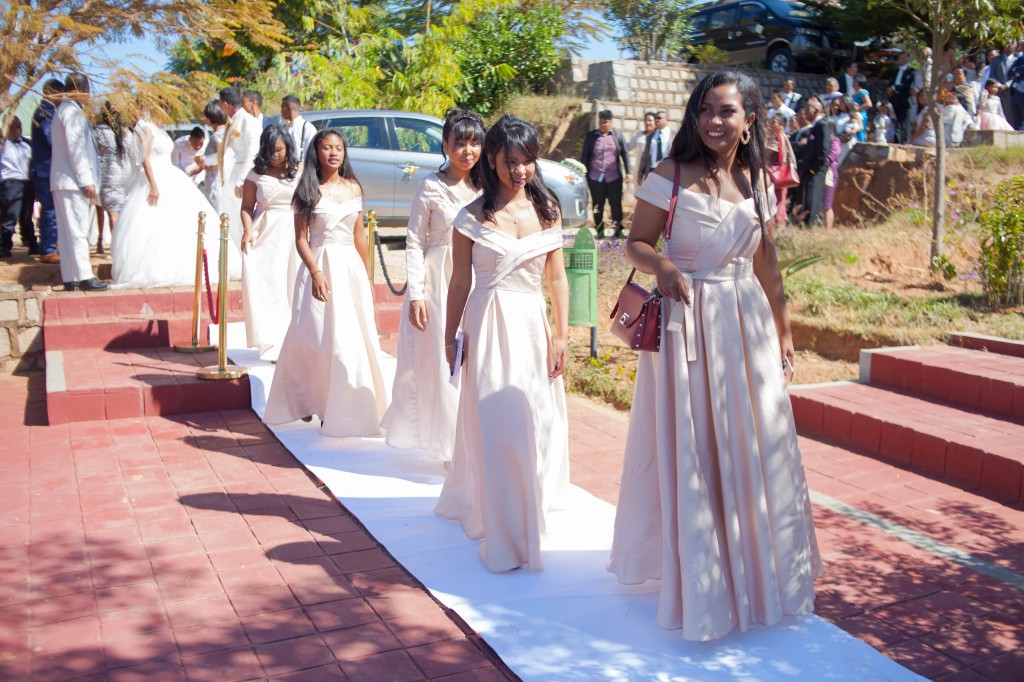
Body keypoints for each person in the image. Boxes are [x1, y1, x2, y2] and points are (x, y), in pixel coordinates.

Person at [606, 69, 821, 642]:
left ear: (750, 119)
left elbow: (766, 260)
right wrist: (665, 266)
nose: (712, 121)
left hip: (746, 322)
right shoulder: (668, 174)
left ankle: (754, 565)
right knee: (696, 444)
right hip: (688, 322)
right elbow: (636, 242)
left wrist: (785, 329)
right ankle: (702, 577)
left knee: (757, 440)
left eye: (726, 111)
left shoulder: (759, 183)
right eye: (704, 110)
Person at [435, 114, 571, 573]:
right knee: (496, 423)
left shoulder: (547, 211)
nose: (520, 171)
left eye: (528, 161)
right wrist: (451, 334)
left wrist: (562, 336)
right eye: (510, 160)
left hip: (532, 327)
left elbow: (557, 278)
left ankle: (525, 514)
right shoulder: (470, 216)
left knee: (532, 423)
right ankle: (505, 531)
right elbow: (458, 282)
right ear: (491, 158)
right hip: (488, 325)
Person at [263, 129, 389, 437]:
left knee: (349, 341)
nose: (334, 153)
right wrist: (316, 273)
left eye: (339, 148)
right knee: (314, 337)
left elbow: (360, 234)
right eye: (327, 148)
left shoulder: (354, 187)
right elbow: (301, 239)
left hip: (349, 270)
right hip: (319, 267)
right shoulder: (307, 190)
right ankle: (311, 400)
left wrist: (367, 275)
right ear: (316, 153)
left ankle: (347, 406)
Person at [381, 108, 484, 462]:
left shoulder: (487, 186)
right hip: (439, 280)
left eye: (474, 143)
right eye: (459, 143)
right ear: (445, 145)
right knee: (445, 359)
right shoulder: (430, 185)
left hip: (479, 278)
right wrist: (418, 293)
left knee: (477, 358)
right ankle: (449, 445)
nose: (467, 151)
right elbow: (413, 241)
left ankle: (475, 438)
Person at [110, 116, 240, 288]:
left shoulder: (160, 129)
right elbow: (144, 158)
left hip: (170, 176)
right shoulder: (146, 127)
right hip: (154, 179)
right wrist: (153, 184)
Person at [239, 126, 302, 362]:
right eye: (271, 151)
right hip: (265, 233)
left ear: (287, 148)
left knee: (294, 285)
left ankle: (296, 340)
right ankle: (275, 343)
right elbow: (246, 207)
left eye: (280, 150)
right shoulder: (255, 174)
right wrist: (247, 230)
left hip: (295, 230)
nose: (276, 155)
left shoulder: (299, 171)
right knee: (270, 287)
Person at [50, 73, 107, 291]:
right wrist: (86, 179)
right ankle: (84, 275)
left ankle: (70, 277)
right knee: (77, 230)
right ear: (82, 90)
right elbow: (76, 150)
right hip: (72, 182)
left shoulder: (62, 111)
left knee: (67, 232)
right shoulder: (71, 113)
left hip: (64, 181)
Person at [218, 87, 262, 248]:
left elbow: (253, 150)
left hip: (242, 177)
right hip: (231, 176)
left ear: (225, 103)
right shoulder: (233, 121)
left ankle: (244, 257)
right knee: (232, 221)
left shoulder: (248, 120)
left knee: (241, 220)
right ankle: (235, 258)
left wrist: (243, 180)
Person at [92, 102, 136, 255]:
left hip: (109, 174)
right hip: (126, 174)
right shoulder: (125, 132)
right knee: (122, 212)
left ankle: (117, 248)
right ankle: (124, 246)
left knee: (113, 213)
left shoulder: (100, 132)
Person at [580, 110, 631, 239]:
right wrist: (582, 173)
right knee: (598, 205)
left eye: (606, 122)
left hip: (614, 177)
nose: (603, 125)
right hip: (595, 177)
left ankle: (618, 230)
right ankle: (599, 231)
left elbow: (624, 154)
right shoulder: (592, 136)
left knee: (616, 204)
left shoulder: (617, 135)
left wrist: (628, 172)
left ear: (611, 122)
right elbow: (585, 155)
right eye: (601, 122)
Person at [31, 79, 63, 263]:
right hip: (45, 169)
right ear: (53, 92)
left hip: (48, 168)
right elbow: (52, 139)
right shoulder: (45, 112)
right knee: (50, 209)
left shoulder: (50, 111)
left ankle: (53, 244)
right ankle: (48, 249)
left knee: (53, 209)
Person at [0, 118, 35, 258]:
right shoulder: (3, 144)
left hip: (27, 181)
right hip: (10, 182)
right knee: (10, 215)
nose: (17, 130)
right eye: (13, 127)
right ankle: (4, 245)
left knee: (27, 215)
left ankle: (31, 243)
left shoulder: (27, 143)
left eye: (19, 127)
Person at [796, 97, 833, 227]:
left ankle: (811, 225)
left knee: (813, 199)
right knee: (808, 198)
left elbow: (823, 151)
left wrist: (814, 168)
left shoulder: (822, 125)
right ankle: (806, 224)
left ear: (817, 110)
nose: (805, 112)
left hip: (816, 170)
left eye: (808, 109)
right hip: (809, 169)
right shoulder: (814, 126)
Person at [765, 112, 796, 227]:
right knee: (780, 201)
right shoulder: (782, 136)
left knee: (777, 202)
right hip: (778, 174)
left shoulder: (778, 137)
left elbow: (767, 151)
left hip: (776, 174)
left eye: (774, 122)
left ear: (782, 125)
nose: (771, 124)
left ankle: (779, 229)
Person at [200, 101, 228, 211]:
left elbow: (221, 159)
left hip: (216, 183)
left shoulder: (217, 136)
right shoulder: (226, 133)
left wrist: (204, 164)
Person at [888, 51, 919, 143]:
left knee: (903, 121)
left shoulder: (911, 71)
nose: (902, 59)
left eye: (904, 57)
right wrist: (889, 88)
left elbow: (907, 85)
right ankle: (896, 139)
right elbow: (891, 83)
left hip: (903, 99)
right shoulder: (895, 71)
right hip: (894, 98)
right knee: (894, 120)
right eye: (900, 58)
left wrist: (894, 87)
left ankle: (903, 140)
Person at [280, 95, 318, 164]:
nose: (281, 111)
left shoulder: (307, 128)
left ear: (289, 108)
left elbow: (313, 153)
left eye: (282, 108)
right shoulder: (284, 127)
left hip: (302, 170)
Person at [627, 111, 656, 184]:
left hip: (653, 171)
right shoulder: (639, 135)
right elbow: (628, 147)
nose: (647, 122)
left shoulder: (658, 137)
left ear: (655, 122)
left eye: (650, 120)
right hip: (639, 171)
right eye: (645, 120)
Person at [850, 78, 872, 142]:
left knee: (860, 132)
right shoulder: (855, 93)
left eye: (854, 81)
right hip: (855, 115)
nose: (853, 82)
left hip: (861, 115)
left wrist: (857, 109)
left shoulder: (863, 92)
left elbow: (868, 104)